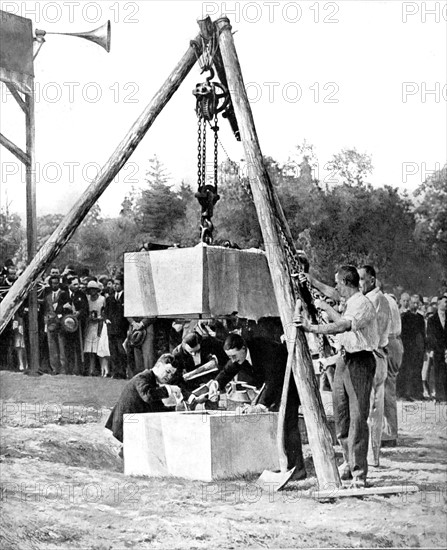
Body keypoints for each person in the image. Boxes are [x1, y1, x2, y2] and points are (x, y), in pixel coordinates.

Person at [295, 265, 378, 487]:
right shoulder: (349, 301)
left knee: (358, 418)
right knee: (342, 418)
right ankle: (349, 464)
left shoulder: (362, 304)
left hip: (361, 361)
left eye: (337, 283)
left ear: (345, 283)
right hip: (344, 360)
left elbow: (342, 325)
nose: (335, 288)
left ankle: (359, 474)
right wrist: (311, 281)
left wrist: (311, 328)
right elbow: (332, 297)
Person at [208, 333, 307, 480]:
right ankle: (278, 465)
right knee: (267, 424)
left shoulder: (267, 351)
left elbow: (274, 380)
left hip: (288, 384)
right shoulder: (238, 355)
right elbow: (228, 370)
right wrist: (216, 384)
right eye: (230, 357)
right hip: (270, 386)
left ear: (243, 348)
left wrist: (261, 405)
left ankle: (297, 470)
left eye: (234, 356)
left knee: (288, 425)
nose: (233, 360)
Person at [105, 353, 186, 446]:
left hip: (132, 427)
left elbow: (157, 409)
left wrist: (176, 409)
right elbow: (148, 396)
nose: (169, 376)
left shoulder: (152, 381)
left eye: (172, 374)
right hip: (121, 433)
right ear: (159, 365)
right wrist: (169, 389)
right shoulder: (143, 377)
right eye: (167, 372)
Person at [358, 266, 391, 467]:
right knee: (376, 409)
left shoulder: (373, 300)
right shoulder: (383, 299)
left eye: (361, 279)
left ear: (371, 280)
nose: (359, 283)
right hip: (380, 355)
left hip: (372, 355)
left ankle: (370, 456)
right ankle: (374, 455)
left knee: (368, 408)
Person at [382, 291, 404, 446]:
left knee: (385, 391)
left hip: (387, 343)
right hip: (395, 343)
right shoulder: (390, 299)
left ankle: (389, 434)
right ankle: (389, 432)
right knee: (388, 389)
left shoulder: (381, 300)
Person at [57, 276, 89, 375]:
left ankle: (79, 369)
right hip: (66, 326)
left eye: (78, 284)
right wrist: (63, 307)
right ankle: (68, 369)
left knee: (78, 347)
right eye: (74, 284)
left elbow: (85, 309)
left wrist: (78, 313)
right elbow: (58, 309)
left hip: (78, 326)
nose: (77, 286)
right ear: (69, 285)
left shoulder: (81, 295)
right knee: (67, 348)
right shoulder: (63, 295)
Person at [397, 294, 426, 400]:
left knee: (417, 370)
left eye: (417, 303)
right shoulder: (405, 317)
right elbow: (403, 334)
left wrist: (423, 347)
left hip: (418, 348)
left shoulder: (420, 317)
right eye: (413, 302)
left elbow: (423, 334)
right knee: (407, 370)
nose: (415, 305)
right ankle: (405, 393)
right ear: (409, 303)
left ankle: (417, 392)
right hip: (407, 348)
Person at [84, 280, 110, 376]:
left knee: (100, 348)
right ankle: (91, 369)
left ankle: (101, 369)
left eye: (94, 289)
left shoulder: (102, 299)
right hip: (90, 325)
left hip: (100, 325)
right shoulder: (87, 299)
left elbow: (105, 312)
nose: (92, 292)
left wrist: (100, 318)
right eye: (90, 290)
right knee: (90, 349)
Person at [104, 276, 128, 379]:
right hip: (111, 328)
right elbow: (105, 312)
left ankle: (122, 372)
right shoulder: (110, 298)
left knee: (121, 350)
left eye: (117, 284)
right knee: (113, 351)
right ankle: (115, 371)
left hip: (121, 328)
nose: (115, 286)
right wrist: (106, 319)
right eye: (114, 284)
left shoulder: (125, 298)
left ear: (122, 285)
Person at [43, 274, 67, 375]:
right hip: (50, 323)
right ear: (50, 284)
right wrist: (46, 321)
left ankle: (63, 368)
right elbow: (46, 311)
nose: (55, 285)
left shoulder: (63, 294)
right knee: (51, 346)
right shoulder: (47, 296)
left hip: (60, 323)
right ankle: (54, 368)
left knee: (62, 346)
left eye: (57, 283)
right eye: (53, 283)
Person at [426, 295, 447, 402]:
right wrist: (431, 349)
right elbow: (430, 335)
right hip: (437, 349)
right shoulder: (432, 320)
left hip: (446, 349)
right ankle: (440, 396)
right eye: (445, 302)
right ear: (439, 304)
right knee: (438, 372)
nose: (446, 304)